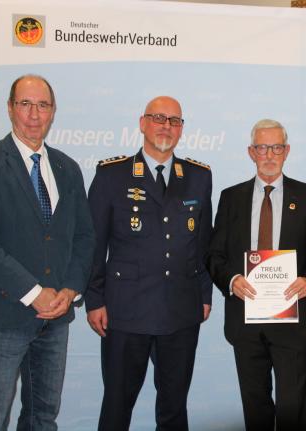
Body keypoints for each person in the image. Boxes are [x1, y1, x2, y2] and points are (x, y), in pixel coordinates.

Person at [85, 96, 213, 431]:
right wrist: (94, 299)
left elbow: (203, 245)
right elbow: (94, 244)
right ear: (142, 123)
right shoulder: (112, 175)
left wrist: (204, 295)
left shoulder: (198, 177)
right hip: (126, 310)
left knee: (174, 408)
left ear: (181, 129)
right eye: (158, 118)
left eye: (174, 121)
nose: (166, 126)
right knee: (116, 406)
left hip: (181, 310)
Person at [0, 74, 95, 430]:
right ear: (10, 108)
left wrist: (70, 290)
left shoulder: (67, 168)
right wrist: (34, 293)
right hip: (3, 319)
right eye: (25, 104)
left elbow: (84, 237)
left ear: (53, 111)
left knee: (43, 417)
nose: (34, 115)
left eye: (43, 105)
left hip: (56, 319)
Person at [207, 119, 306, 431]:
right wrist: (231, 281)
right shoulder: (231, 198)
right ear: (251, 152)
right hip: (244, 319)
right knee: (255, 408)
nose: (270, 155)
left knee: (293, 409)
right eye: (262, 148)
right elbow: (214, 256)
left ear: (286, 151)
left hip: (292, 319)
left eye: (276, 147)